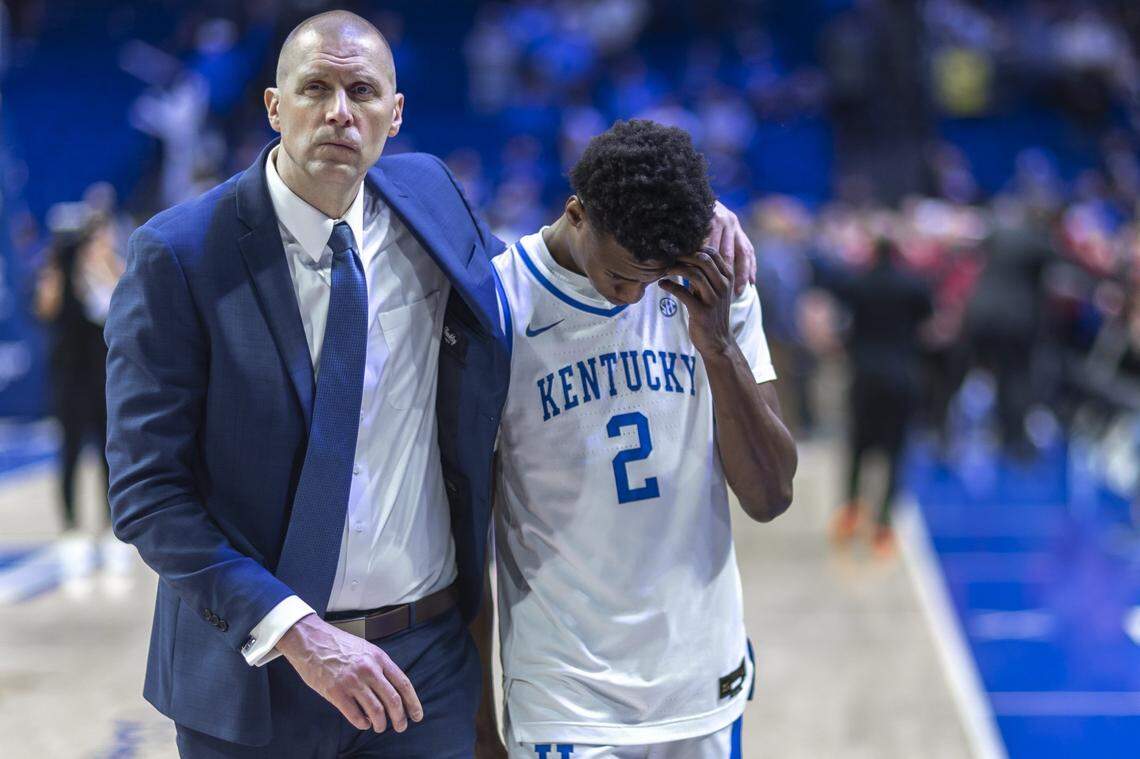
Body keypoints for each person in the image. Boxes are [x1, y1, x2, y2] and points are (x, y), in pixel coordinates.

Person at [104, 11, 757, 758]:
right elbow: (148, 495)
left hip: (425, 667)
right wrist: (296, 630)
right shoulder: (180, 254)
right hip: (260, 669)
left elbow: (569, 245)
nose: (339, 111)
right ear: (274, 107)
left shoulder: (432, 198)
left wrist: (696, 218)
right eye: (315, 88)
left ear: (396, 113)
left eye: (362, 90)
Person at [473, 120, 797, 758]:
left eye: (651, 278)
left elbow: (769, 496)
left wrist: (718, 345)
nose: (634, 296)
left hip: (703, 680)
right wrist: (485, 730)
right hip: (569, 698)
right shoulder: (499, 305)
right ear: (577, 214)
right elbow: (467, 543)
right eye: (622, 276)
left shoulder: (709, 288)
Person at [824, 237, 932, 556]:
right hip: (902, 377)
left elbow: (838, 322)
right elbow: (929, 328)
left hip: (864, 377)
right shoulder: (914, 286)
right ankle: (884, 525)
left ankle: (850, 515)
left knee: (857, 447)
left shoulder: (857, 283)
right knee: (896, 452)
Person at [35, 208, 121, 541]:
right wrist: (56, 265)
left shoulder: (103, 265)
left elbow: (122, 298)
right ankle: (70, 524)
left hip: (101, 373)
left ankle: (111, 519)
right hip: (68, 374)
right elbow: (46, 308)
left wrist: (99, 262)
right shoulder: (57, 269)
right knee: (69, 451)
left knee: (107, 450)